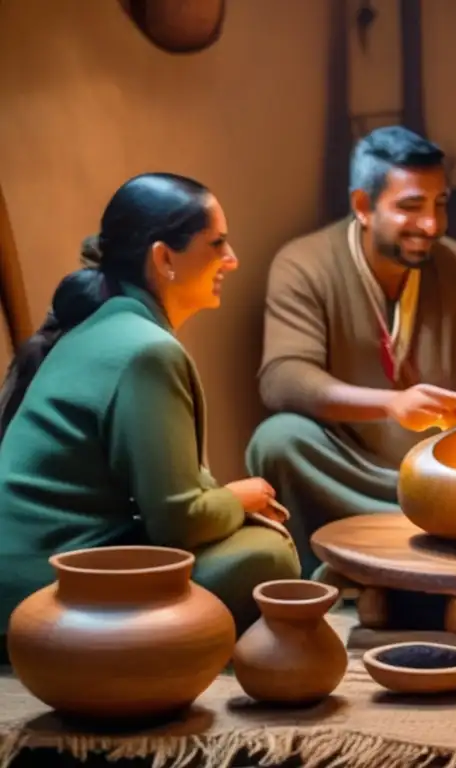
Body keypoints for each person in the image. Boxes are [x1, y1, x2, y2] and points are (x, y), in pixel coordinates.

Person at [0, 173, 300, 643]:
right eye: (217, 243)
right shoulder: (146, 351)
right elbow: (177, 521)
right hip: (41, 596)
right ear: (164, 258)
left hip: (35, 577)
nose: (232, 260)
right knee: (265, 554)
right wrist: (242, 498)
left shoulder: (109, 326)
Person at [246, 126, 456, 576]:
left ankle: (424, 545)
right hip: (351, 467)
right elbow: (283, 377)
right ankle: (328, 574)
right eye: (410, 207)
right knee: (279, 440)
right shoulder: (304, 264)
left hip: (446, 468)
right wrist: (391, 405)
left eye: (440, 205)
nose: (432, 225)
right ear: (363, 206)